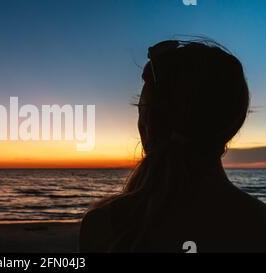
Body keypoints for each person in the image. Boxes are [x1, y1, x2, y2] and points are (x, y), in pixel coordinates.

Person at [80, 40, 266, 253]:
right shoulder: (259, 223)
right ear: (233, 123)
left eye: (142, 108)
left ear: (150, 122)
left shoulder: (106, 227)